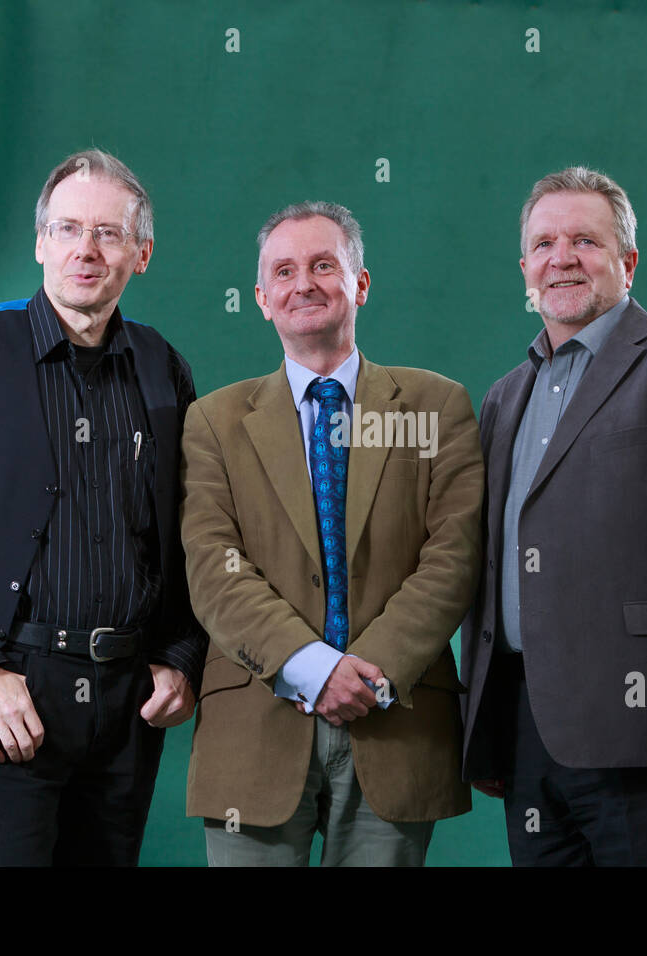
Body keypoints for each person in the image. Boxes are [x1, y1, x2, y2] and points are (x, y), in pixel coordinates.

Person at [0, 149, 206, 865]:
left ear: (142, 253)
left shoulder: (163, 368)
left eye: (109, 233)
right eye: (67, 229)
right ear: (40, 243)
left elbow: (193, 533)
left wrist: (182, 655)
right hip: (9, 690)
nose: (85, 250)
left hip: (128, 706)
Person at [461, 167, 647, 866]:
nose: (561, 258)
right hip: (525, 736)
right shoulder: (505, 397)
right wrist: (483, 721)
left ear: (627, 263)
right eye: (543, 244)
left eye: (584, 241)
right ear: (524, 269)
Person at [179, 201, 482, 866]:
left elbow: (453, 558)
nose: (304, 283)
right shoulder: (214, 422)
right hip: (254, 729)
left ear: (361, 283)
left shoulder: (437, 406)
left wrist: (367, 676)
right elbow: (212, 565)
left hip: (394, 724)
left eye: (324, 265)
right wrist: (311, 668)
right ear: (261, 298)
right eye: (284, 271)